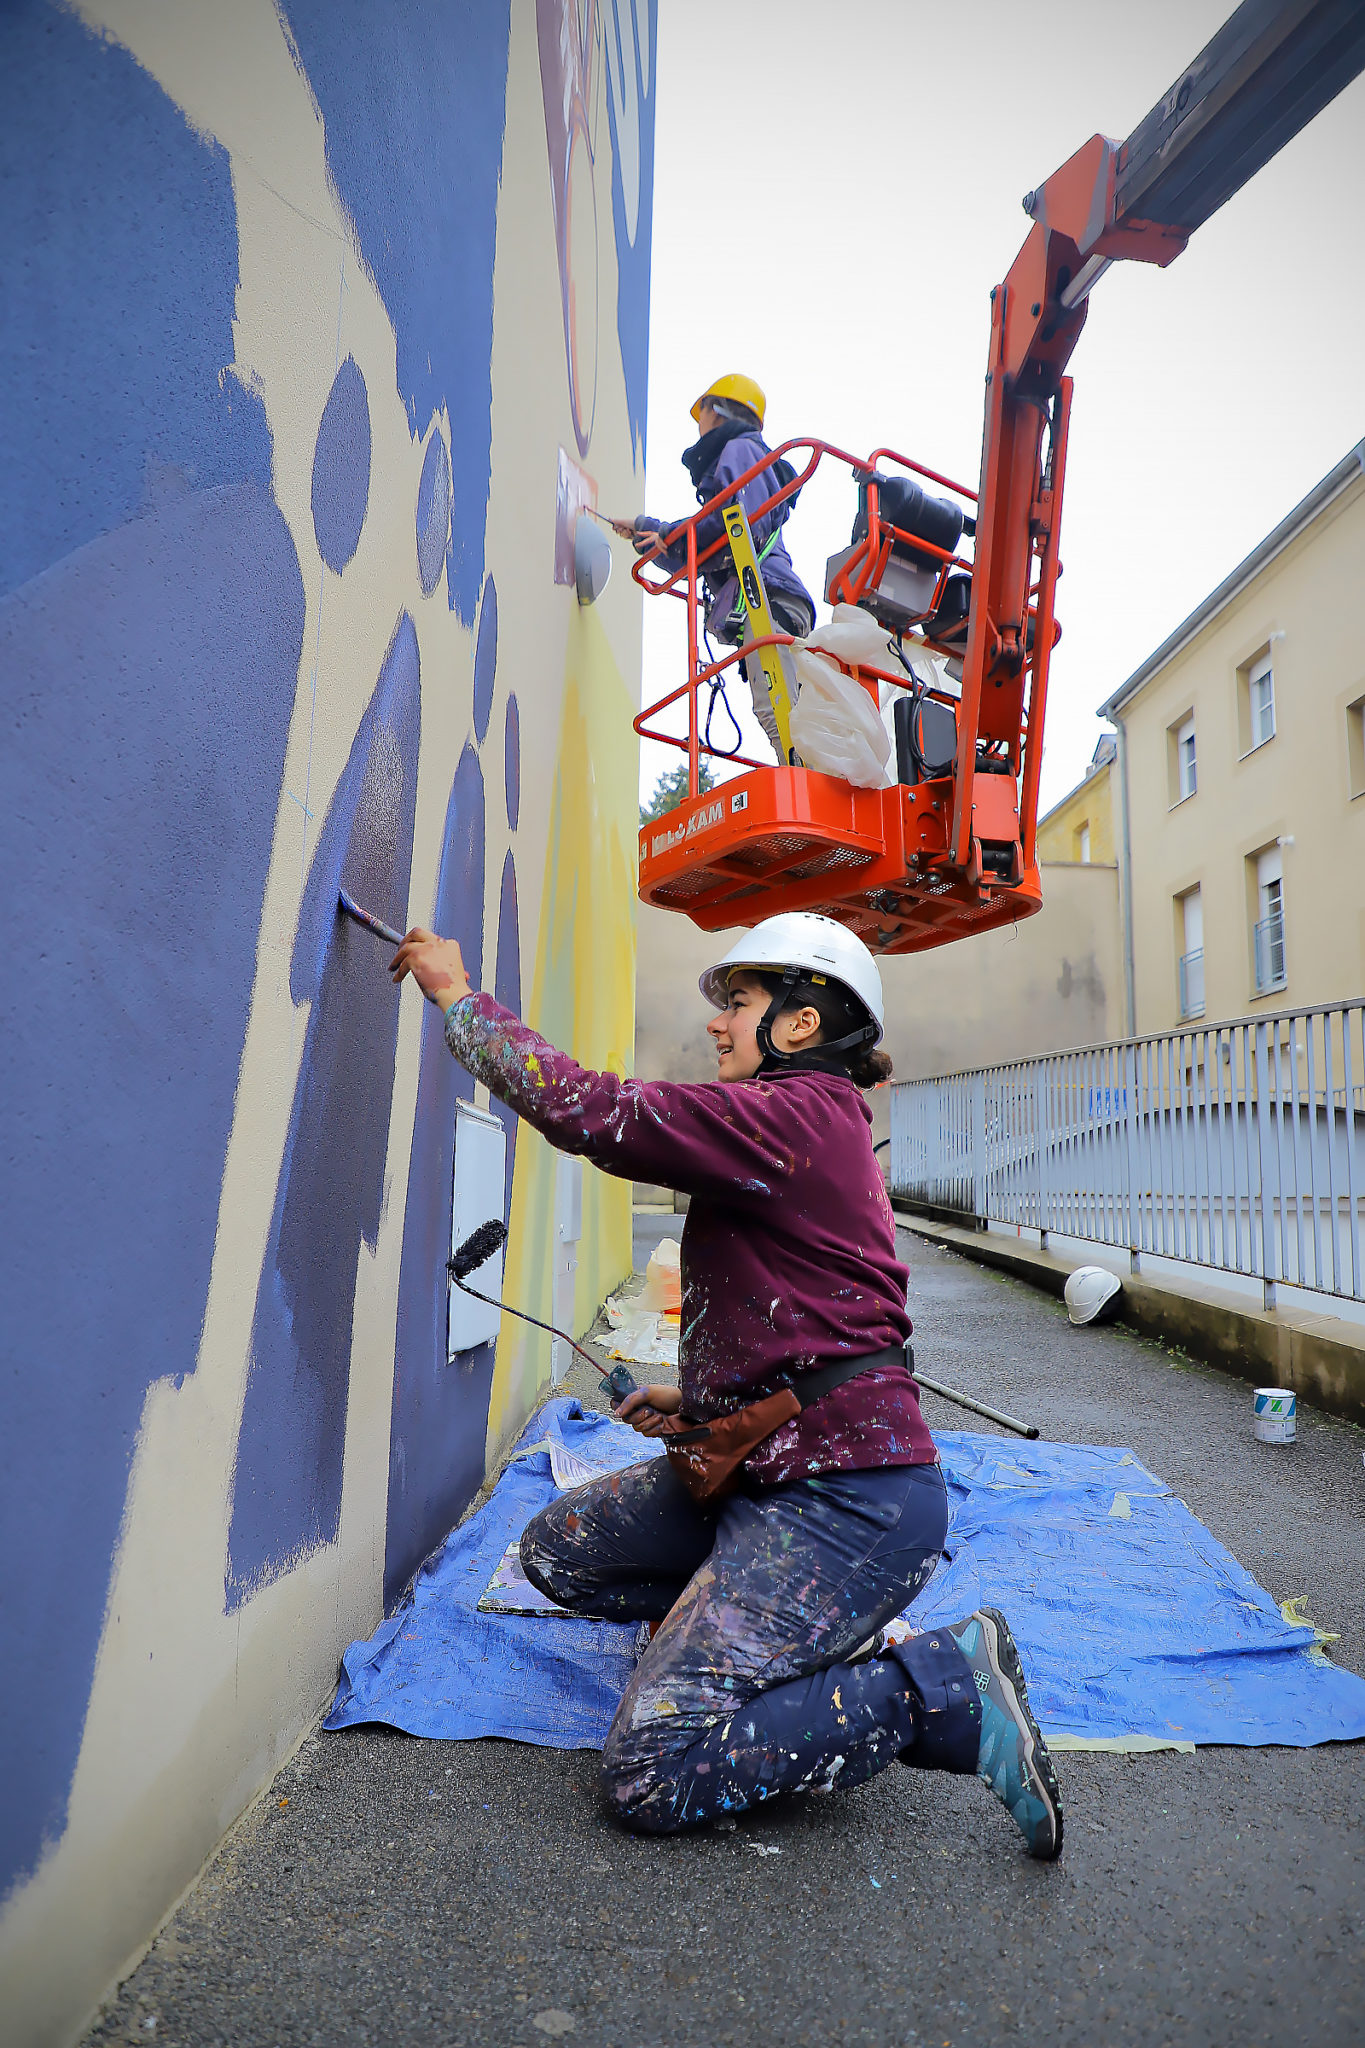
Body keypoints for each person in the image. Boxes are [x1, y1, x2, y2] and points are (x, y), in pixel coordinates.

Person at [389, 910, 1063, 1856]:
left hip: (845, 1505)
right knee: (561, 1554)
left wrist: (460, 1003)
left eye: (737, 1003)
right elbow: (805, 1317)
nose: (715, 1023)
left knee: (652, 1771)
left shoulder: (794, 1113)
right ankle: (772, 1638)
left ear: (799, 1023)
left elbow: (604, 1116)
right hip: (770, 1466)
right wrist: (698, 1400)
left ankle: (939, 1685)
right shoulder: (802, 1124)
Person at [631, 374, 816, 758]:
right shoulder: (744, 456)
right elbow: (711, 543)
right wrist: (649, 532)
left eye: (701, 413)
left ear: (716, 412)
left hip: (767, 597)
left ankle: (808, 789)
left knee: (780, 713)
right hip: (769, 598)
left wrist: (666, 532)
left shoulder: (741, 449)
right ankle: (806, 782)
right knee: (782, 713)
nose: (698, 424)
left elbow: (734, 527)